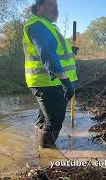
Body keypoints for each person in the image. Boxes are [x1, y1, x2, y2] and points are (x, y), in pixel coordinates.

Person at [22, 0, 78, 148]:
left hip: (46, 83)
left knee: (44, 120)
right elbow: (47, 55)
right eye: (51, 5)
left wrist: (71, 52)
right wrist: (66, 82)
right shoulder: (38, 26)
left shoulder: (46, 26)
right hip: (50, 83)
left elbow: (55, 53)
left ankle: (39, 151)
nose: (56, 10)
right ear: (40, 7)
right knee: (53, 122)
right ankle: (47, 157)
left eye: (57, 6)